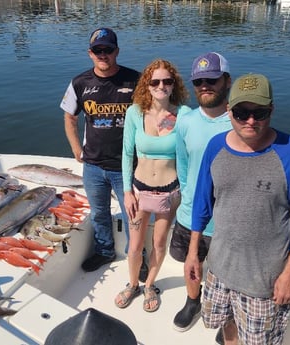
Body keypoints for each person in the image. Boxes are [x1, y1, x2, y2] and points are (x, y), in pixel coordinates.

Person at [185, 73, 290, 345]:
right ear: (228, 110)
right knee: (227, 327)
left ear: (272, 110)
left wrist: (289, 274)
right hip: (220, 268)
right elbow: (202, 203)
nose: (251, 121)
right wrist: (193, 254)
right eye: (242, 112)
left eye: (260, 112)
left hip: (264, 281)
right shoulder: (215, 147)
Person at [60, 28, 149, 280]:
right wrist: (77, 149)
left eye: (108, 50)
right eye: (98, 50)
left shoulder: (136, 80)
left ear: (116, 51)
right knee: (99, 213)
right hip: (93, 166)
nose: (103, 55)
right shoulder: (80, 83)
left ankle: (138, 256)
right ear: (90, 53)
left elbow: (151, 116)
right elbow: (69, 118)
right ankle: (104, 250)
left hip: (127, 166)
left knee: (134, 216)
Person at [114, 59, 191, 312]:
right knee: (135, 246)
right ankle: (133, 284)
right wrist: (126, 191)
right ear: (146, 84)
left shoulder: (183, 115)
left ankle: (149, 285)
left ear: (174, 85)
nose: (161, 86)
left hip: (169, 193)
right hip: (139, 190)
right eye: (155, 81)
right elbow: (127, 154)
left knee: (159, 244)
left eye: (167, 81)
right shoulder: (135, 112)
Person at [170, 52, 232, 331]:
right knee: (189, 264)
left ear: (226, 81)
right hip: (190, 214)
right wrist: (189, 197)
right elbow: (182, 165)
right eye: (198, 81)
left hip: (227, 219)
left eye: (212, 79)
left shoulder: (240, 122)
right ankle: (192, 300)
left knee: (227, 273)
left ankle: (229, 316)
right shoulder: (185, 121)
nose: (204, 85)